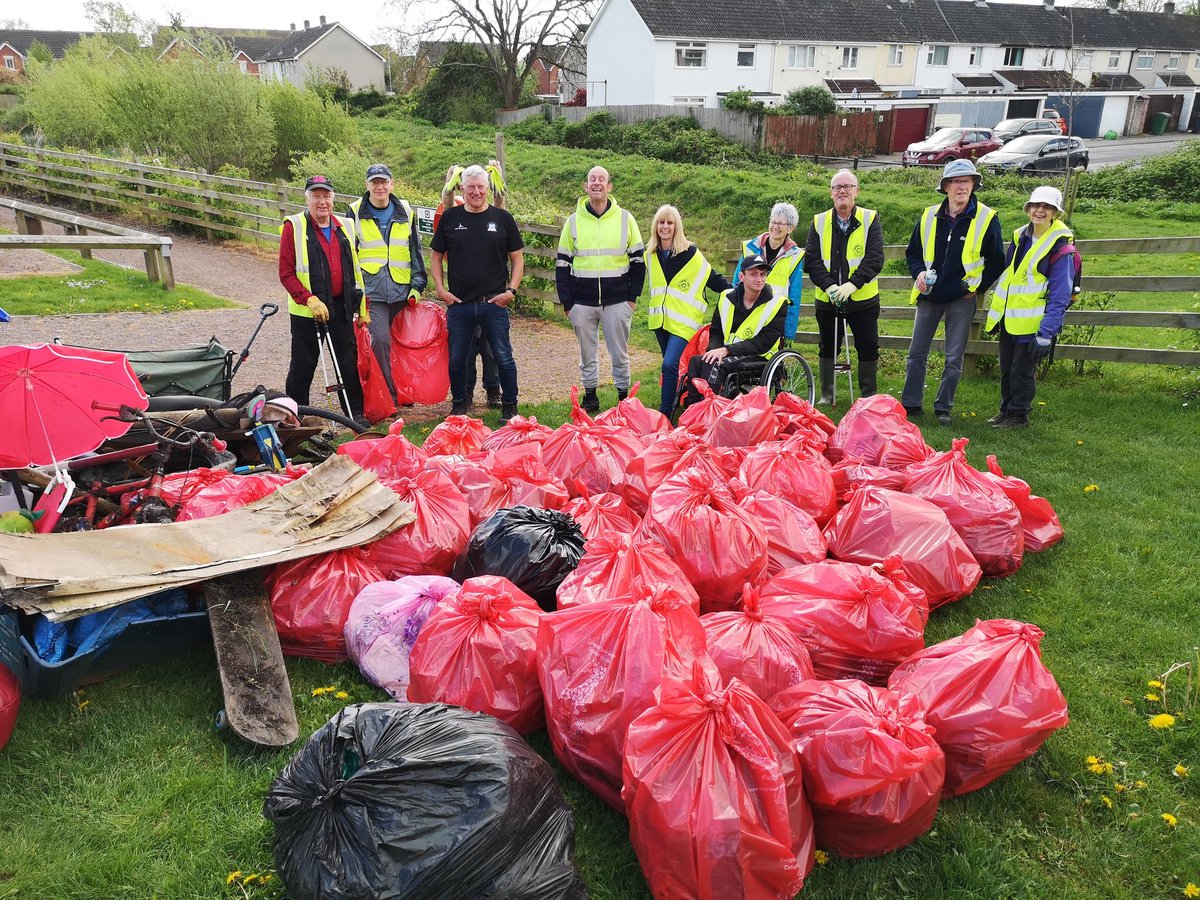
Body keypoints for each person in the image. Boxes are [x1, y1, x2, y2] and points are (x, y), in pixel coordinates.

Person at [901, 158, 1006, 426]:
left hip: (962, 298)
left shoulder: (986, 218)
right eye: (957, 181)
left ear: (974, 185)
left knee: (953, 357)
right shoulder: (928, 216)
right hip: (929, 295)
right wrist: (919, 274)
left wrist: (977, 288)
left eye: (967, 181)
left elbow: (996, 261)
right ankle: (910, 405)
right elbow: (912, 253)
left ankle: (943, 407)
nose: (962, 187)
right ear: (946, 186)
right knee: (916, 353)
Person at [429, 164, 524, 424]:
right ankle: (459, 404)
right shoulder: (450, 217)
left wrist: (511, 290)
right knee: (458, 358)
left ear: (487, 188)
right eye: (471, 187)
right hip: (460, 304)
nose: (476, 192)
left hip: (494, 303)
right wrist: (440, 290)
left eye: (481, 187)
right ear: (463, 188)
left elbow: (517, 258)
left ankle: (510, 406)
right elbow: (436, 256)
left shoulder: (502, 218)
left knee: (503, 356)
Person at [984, 185, 1076, 429]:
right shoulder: (1020, 237)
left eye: (1046, 207)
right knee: (1007, 369)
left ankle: (1019, 415)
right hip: (1010, 318)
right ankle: (1006, 410)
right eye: (1036, 205)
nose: (1040, 211)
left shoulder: (1060, 247)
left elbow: (1060, 294)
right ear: (1028, 210)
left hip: (1034, 324)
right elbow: (1012, 276)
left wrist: (1046, 333)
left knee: (1022, 372)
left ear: (1055, 213)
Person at [556, 165, 645, 413]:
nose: (597, 183)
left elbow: (639, 261)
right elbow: (562, 264)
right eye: (592, 179)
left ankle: (623, 397)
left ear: (609, 187)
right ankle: (591, 395)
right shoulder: (573, 222)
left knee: (620, 353)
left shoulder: (626, 219)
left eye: (602, 179)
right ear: (586, 187)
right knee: (587, 353)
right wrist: (567, 303)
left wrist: (632, 298)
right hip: (582, 302)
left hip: (617, 301)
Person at [279, 174, 366, 420]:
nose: (322, 201)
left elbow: (355, 269)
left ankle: (354, 414)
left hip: (341, 306)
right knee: (303, 366)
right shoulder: (293, 227)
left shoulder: (345, 225)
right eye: (316, 196)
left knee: (348, 362)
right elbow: (286, 273)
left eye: (326, 195)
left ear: (333, 199)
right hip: (307, 310)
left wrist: (363, 309)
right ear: (306, 199)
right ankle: (295, 415)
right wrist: (309, 299)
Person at [346, 163, 426, 406]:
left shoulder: (405, 210)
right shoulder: (354, 211)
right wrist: (354, 291)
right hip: (373, 292)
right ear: (367, 185)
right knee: (380, 340)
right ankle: (387, 397)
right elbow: (349, 252)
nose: (379, 186)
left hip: (403, 291)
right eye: (374, 182)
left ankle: (404, 391)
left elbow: (415, 250)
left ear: (392, 184)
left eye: (384, 182)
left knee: (405, 347)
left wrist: (418, 283)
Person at [803, 169, 884, 405]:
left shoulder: (870, 219)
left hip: (863, 300)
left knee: (868, 346)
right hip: (828, 300)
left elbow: (875, 258)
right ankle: (827, 395)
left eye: (847, 186)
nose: (842, 191)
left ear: (856, 191)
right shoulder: (819, 221)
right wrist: (829, 287)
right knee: (828, 346)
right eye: (837, 187)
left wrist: (851, 285)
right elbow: (813, 260)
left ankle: (868, 397)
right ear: (831, 193)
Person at [644, 204, 729, 418]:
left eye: (670, 223)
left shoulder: (690, 252)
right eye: (661, 222)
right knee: (671, 367)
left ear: (677, 226)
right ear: (656, 226)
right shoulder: (650, 254)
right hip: (661, 322)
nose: (665, 227)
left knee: (669, 363)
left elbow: (712, 278)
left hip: (684, 321)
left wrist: (736, 291)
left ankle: (665, 413)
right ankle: (681, 400)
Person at [680, 254, 787, 406]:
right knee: (697, 361)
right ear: (741, 276)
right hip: (731, 352)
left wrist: (726, 351)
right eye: (754, 274)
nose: (759, 279)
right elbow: (716, 331)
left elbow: (764, 342)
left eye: (763, 274)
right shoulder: (726, 298)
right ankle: (694, 408)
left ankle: (711, 409)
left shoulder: (777, 303)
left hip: (761, 355)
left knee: (716, 365)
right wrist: (714, 350)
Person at [732, 202, 804, 345]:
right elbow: (736, 282)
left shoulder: (796, 256)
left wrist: (789, 332)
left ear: (790, 228)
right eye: (773, 222)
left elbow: (794, 296)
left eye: (781, 223)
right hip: (746, 311)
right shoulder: (750, 247)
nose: (775, 227)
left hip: (774, 317)